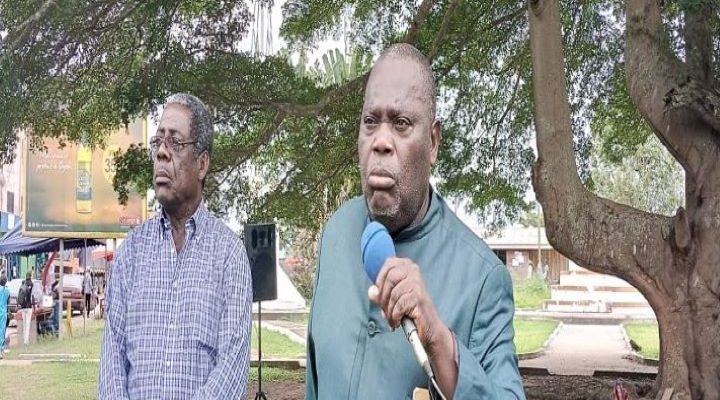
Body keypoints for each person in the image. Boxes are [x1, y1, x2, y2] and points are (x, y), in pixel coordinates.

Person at [305, 44, 525, 399]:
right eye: (370, 122)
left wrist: (438, 338)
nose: (381, 142)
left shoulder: (483, 279)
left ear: (433, 142)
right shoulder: (336, 233)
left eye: (401, 124)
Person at [99, 93, 253, 399]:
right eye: (158, 141)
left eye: (175, 142)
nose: (161, 153)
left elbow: (232, 369)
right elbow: (112, 361)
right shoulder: (131, 252)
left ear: (202, 164)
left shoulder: (229, 255)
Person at [18, 272, 35, 346]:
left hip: (23, 307)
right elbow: (32, 296)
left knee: (24, 323)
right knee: (27, 324)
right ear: (30, 276)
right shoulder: (32, 284)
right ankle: (26, 341)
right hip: (29, 307)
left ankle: (24, 339)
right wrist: (34, 307)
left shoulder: (23, 283)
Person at [0, 275, 9, 357]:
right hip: (3, 313)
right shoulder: (7, 291)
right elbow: (7, 302)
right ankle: (1, 349)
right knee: (2, 331)